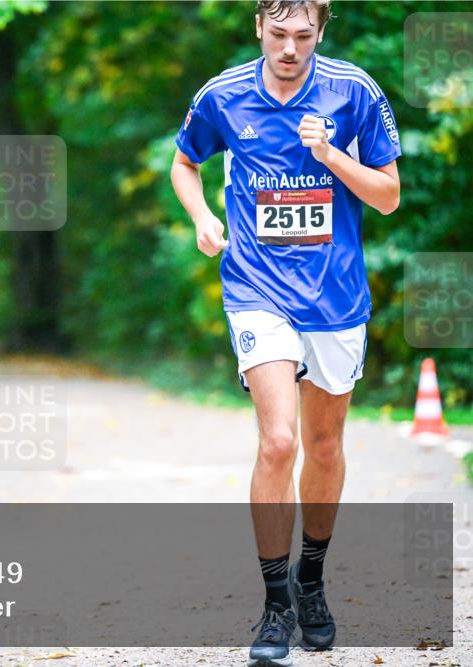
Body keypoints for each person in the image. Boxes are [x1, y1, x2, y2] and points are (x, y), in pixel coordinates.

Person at [170, 1, 401, 665]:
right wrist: (201, 215)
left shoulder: (354, 93)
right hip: (256, 288)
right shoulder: (224, 96)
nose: (290, 48)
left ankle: (311, 581)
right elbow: (184, 162)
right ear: (258, 30)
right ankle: (274, 603)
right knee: (278, 440)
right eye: (279, 35)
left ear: (322, 33)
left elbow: (387, 194)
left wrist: (330, 155)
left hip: (335, 294)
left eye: (304, 35)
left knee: (324, 444)